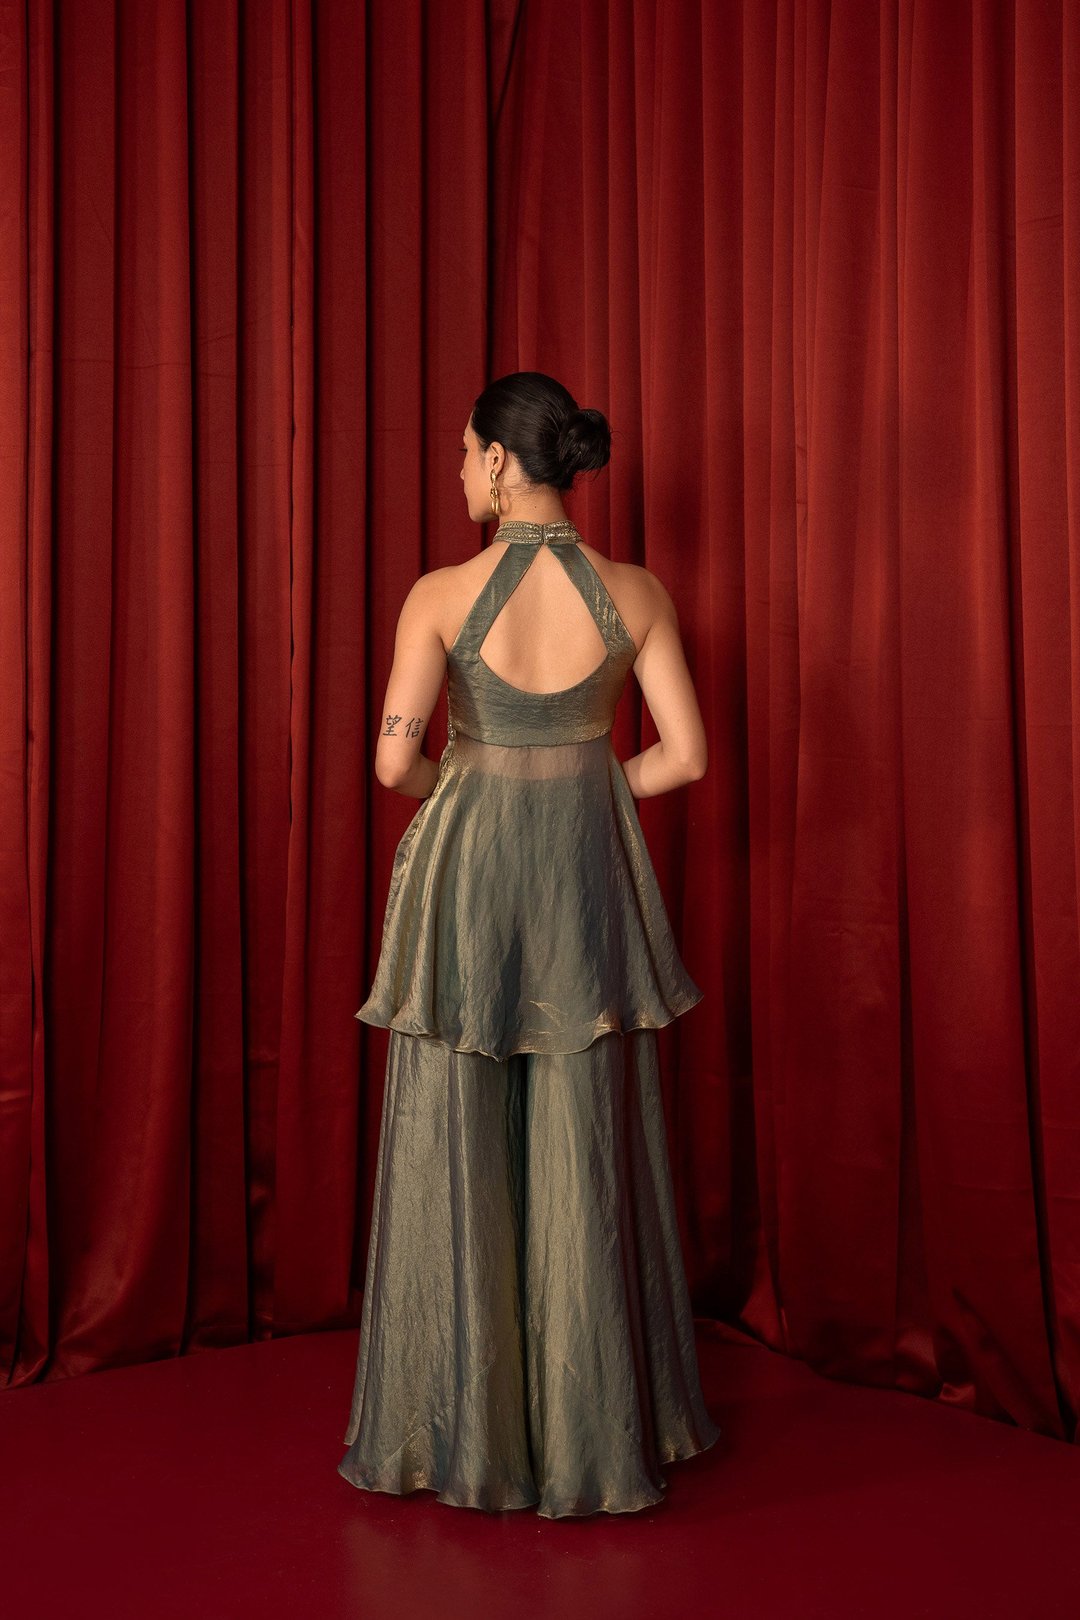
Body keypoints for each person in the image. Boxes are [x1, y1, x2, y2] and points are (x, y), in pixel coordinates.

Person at [337, 370, 720, 1518]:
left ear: (502, 462)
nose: (460, 472)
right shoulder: (636, 591)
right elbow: (685, 756)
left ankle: (461, 1429)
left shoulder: (441, 595)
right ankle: (593, 1435)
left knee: (457, 1126)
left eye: (466, 453)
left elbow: (393, 765)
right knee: (581, 1136)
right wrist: (584, 790)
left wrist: (479, 788)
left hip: (470, 881)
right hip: (583, 884)